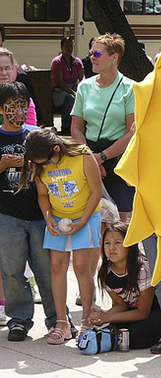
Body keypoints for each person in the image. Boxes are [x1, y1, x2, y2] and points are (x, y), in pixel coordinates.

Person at [19, 128, 102, 344]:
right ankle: (61, 323)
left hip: (85, 217)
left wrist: (82, 221)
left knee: (83, 267)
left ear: (56, 149)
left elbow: (96, 191)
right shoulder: (39, 165)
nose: (44, 166)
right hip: (57, 219)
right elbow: (43, 195)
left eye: (47, 162)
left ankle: (86, 320)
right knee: (56, 266)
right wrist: (48, 218)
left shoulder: (83, 155)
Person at [0, 81, 57, 341]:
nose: (19, 112)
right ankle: (19, 319)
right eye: (12, 106)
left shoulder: (36, 135)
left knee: (47, 268)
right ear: (1, 109)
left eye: (23, 105)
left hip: (39, 215)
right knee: (12, 269)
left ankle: (57, 319)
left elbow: (55, 166)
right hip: (7, 215)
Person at [70, 33, 135, 222]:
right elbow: (76, 128)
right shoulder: (84, 87)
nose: (91, 58)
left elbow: (132, 132)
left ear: (114, 57)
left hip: (117, 160)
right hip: (87, 155)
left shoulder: (130, 88)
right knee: (93, 221)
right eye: (91, 53)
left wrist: (102, 157)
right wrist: (91, 159)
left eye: (97, 54)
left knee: (121, 222)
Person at [87, 222, 161, 349]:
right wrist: (102, 316)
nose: (111, 248)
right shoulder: (106, 272)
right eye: (107, 243)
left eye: (118, 242)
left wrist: (108, 317)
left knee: (135, 336)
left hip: (155, 310)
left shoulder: (142, 269)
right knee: (113, 329)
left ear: (130, 245)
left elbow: (143, 312)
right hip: (133, 311)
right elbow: (121, 304)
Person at [51, 37, 84, 135]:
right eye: (66, 46)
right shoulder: (57, 62)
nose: (69, 48)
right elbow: (60, 81)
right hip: (59, 91)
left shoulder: (77, 61)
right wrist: (73, 92)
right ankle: (66, 126)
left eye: (71, 46)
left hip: (74, 88)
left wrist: (81, 90)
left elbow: (81, 79)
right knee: (70, 98)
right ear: (61, 47)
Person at [0, 48, 37, 126]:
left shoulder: (24, 98)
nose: (4, 73)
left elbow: (30, 130)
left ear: (14, 69)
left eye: (7, 68)